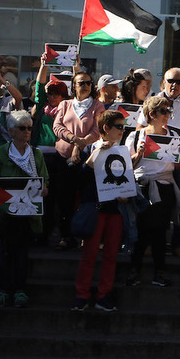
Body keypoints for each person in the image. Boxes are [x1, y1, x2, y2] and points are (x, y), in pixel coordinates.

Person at [0, 110, 49, 308]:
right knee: (3, 252)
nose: (27, 132)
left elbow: (45, 180)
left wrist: (44, 188)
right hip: (4, 212)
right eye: (22, 128)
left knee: (22, 253)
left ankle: (20, 290)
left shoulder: (36, 154)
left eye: (29, 128)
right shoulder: (1, 152)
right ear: (11, 131)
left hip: (26, 213)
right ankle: (2, 289)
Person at [71, 110, 132, 312]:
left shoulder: (122, 151)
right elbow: (81, 178)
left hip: (115, 210)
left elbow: (126, 180)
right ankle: (82, 295)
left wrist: (126, 194)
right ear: (106, 128)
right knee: (89, 254)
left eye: (123, 127)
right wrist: (95, 153)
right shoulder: (91, 148)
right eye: (119, 127)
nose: (122, 131)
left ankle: (103, 295)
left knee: (111, 255)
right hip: (95, 209)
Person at [139, 67, 180, 258]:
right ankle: (149, 244)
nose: (174, 85)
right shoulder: (152, 100)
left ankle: (178, 244)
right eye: (170, 81)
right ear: (164, 82)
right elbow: (140, 127)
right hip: (155, 161)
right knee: (153, 202)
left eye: (178, 82)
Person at [124, 95, 180, 288]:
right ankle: (134, 270)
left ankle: (159, 272)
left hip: (164, 185)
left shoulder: (173, 135)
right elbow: (128, 166)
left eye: (169, 111)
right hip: (143, 186)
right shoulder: (136, 136)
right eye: (163, 111)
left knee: (160, 231)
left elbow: (178, 165)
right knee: (139, 231)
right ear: (152, 114)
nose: (167, 115)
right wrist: (139, 153)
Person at [52, 71, 105, 250]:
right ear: (74, 86)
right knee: (64, 197)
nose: (85, 86)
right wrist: (74, 140)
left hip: (87, 159)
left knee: (87, 196)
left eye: (88, 83)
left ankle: (86, 234)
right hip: (63, 157)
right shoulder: (65, 104)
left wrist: (80, 146)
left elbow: (98, 131)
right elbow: (57, 126)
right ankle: (66, 236)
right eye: (81, 83)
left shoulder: (97, 105)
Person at [31, 56, 68, 244]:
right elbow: (39, 87)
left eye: (56, 94)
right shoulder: (42, 108)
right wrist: (44, 64)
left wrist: (76, 67)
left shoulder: (67, 109)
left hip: (60, 157)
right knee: (40, 195)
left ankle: (56, 232)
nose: (52, 97)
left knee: (57, 196)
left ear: (63, 96)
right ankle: (40, 234)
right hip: (40, 156)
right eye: (50, 94)